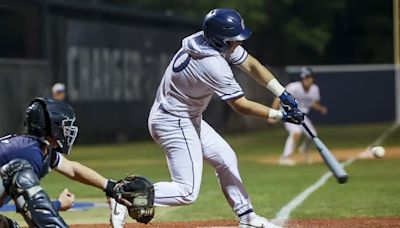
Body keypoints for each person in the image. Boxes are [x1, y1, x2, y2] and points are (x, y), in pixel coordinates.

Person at [110, 8, 305, 228]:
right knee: (186, 192)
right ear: (221, 41)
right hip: (174, 121)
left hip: (184, 117)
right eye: (234, 40)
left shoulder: (206, 40)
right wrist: (280, 115)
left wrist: (282, 93)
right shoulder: (213, 64)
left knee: (226, 159)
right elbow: (240, 105)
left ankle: (248, 217)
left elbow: (251, 64)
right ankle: (123, 196)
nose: (237, 44)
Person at [0, 97, 139, 227]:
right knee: (17, 170)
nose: (68, 131)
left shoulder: (35, 148)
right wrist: (59, 204)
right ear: (53, 127)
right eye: (65, 126)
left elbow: (72, 169)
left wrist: (111, 187)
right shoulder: (31, 154)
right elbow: (31, 211)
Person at [271, 67, 327, 166]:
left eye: (309, 77)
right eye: (305, 77)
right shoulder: (293, 87)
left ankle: (304, 149)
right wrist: (273, 114)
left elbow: (312, 103)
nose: (307, 79)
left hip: (301, 115)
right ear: (302, 78)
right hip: (288, 113)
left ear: (313, 78)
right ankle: (285, 157)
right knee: (296, 132)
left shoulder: (314, 89)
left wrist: (320, 108)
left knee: (313, 135)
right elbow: (278, 98)